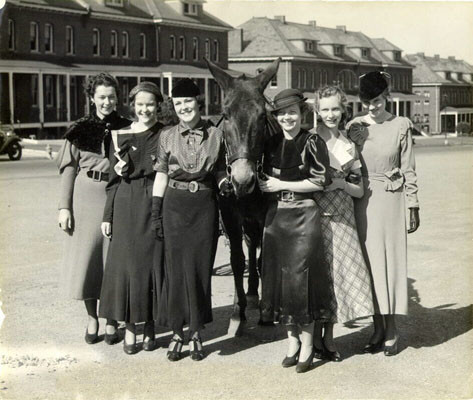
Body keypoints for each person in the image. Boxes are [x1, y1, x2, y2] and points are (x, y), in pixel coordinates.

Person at [152, 78, 226, 362]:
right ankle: (176, 333)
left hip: (204, 207)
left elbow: (219, 171)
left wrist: (224, 185)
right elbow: (161, 173)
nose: (184, 107)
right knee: (175, 272)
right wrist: (156, 211)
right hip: (174, 206)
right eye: (178, 103)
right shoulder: (167, 136)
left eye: (188, 101)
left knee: (199, 270)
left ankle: (195, 333)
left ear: (198, 101)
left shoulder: (216, 134)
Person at [347, 71, 420, 356]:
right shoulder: (355, 125)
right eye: (366, 102)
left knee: (390, 265)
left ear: (386, 96)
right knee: (370, 265)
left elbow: (409, 168)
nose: (371, 107)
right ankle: (376, 329)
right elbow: (346, 162)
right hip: (362, 200)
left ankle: (391, 330)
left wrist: (413, 204)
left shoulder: (401, 125)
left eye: (376, 101)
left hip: (391, 199)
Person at [258, 89, 331, 373]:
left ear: (302, 115)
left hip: (303, 215)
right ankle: (292, 342)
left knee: (302, 281)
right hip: (275, 217)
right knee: (280, 279)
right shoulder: (271, 142)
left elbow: (320, 181)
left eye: (292, 113)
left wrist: (281, 186)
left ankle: (309, 345)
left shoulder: (311, 141)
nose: (287, 118)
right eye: (282, 114)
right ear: (276, 117)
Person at [56, 73, 129, 345]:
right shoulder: (79, 129)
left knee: (113, 261)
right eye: (101, 97)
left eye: (111, 96)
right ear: (91, 98)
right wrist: (64, 207)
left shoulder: (127, 127)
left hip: (118, 196)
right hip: (86, 198)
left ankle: (111, 319)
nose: (107, 102)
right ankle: (92, 317)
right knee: (89, 261)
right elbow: (69, 169)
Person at [99, 82, 165, 355]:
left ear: (158, 105)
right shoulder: (119, 135)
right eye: (139, 105)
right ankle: (130, 327)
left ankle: (149, 324)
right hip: (126, 202)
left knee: (150, 264)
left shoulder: (166, 134)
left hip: (154, 198)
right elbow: (113, 181)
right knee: (126, 266)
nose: (145, 109)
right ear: (132, 106)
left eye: (150, 104)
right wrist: (108, 215)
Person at [312, 86, 374, 362]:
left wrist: (339, 182)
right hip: (313, 218)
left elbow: (359, 189)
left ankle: (328, 339)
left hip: (343, 218)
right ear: (316, 111)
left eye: (335, 108)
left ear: (343, 109)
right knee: (316, 279)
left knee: (337, 278)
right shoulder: (309, 140)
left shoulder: (349, 144)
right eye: (324, 109)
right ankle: (310, 340)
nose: (330, 114)